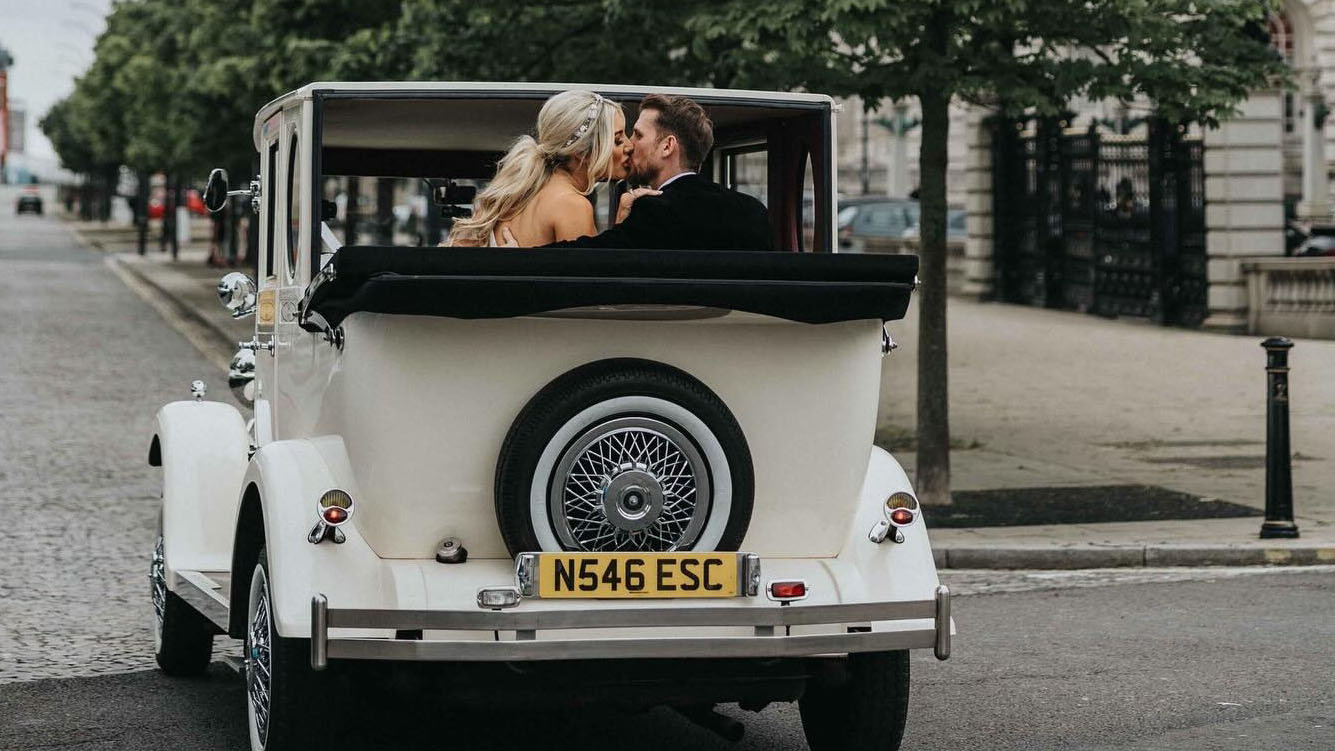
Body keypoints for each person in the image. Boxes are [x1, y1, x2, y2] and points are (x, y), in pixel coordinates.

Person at [500, 93, 773, 251]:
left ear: (667, 146)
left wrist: (517, 262)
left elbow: (590, 269)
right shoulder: (754, 212)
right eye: (621, 138)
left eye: (637, 135)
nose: (630, 145)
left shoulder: (652, 213)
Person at [446, 90, 631, 246]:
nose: (629, 146)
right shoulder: (572, 206)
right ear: (582, 153)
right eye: (617, 140)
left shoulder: (509, 198)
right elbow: (586, 287)